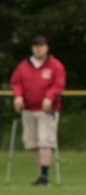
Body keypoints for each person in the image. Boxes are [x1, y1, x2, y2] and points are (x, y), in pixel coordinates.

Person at [10, 35, 65, 186]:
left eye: (41, 46)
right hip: (28, 109)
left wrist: (49, 98)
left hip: (47, 111)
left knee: (45, 141)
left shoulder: (55, 65)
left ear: (46, 48)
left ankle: (45, 176)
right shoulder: (24, 65)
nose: (38, 49)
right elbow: (16, 82)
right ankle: (40, 174)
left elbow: (58, 84)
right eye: (35, 46)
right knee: (33, 142)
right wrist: (18, 96)